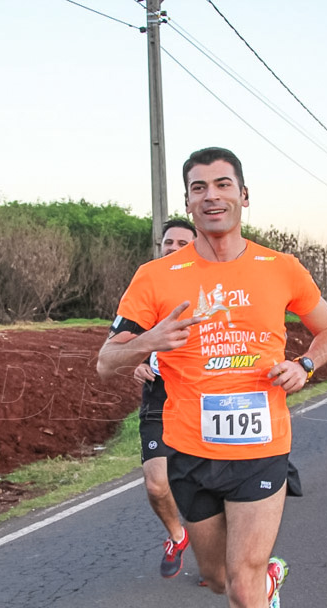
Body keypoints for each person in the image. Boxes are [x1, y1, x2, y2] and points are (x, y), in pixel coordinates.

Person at [97, 147, 327, 608]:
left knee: (244, 590)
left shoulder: (281, 267)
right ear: (188, 200)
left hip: (262, 448)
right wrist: (151, 341)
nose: (212, 195)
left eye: (223, 184)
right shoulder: (156, 276)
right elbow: (105, 362)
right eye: (199, 187)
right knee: (217, 579)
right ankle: (261, 581)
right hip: (189, 450)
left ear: (244, 196)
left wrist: (304, 366)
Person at [132, 219, 197, 579]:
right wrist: (137, 364)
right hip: (159, 395)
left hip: (205, 398)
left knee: (205, 485)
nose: (172, 249)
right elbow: (124, 343)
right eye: (167, 243)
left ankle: (216, 554)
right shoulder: (148, 288)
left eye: (181, 244)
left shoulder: (214, 286)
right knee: (157, 484)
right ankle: (177, 535)